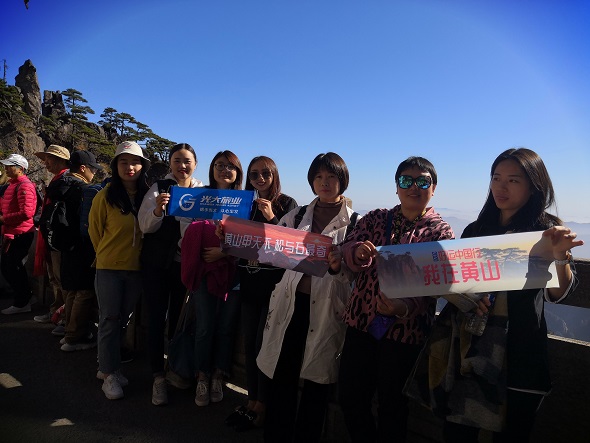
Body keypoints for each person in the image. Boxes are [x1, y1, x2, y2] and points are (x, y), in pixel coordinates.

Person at [419, 148, 582, 442]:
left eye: (513, 180)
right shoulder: (476, 230)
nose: (501, 187)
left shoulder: (545, 231)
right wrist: (468, 299)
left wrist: (560, 256)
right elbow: (458, 284)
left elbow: (557, 294)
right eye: (496, 178)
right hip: (471, 352)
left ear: (534, 187)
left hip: (522, 353)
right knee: (457, 434)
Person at [338, 156, 455, 443]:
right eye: (406, 180)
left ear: (434, 188)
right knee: (351, 396)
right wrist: (357, 253)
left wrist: (405, 307)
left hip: (405, 332)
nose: (414, 187)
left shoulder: (441, 233)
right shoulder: (376, 218)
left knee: (392, 404)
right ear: (397, 187)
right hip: (362, 323)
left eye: (423, 182)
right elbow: (347, 248)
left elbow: (436, 284)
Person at [256, 152, 357, 443]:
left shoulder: (356, 223)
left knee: (316, 384)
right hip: (292, 305)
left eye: (331, 176)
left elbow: (356, 274)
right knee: (282, 376)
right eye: (319, 177)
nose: (325, 182)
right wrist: (230, 235)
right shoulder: (297, 216)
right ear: (312, 181)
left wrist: (338, 266)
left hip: (327, 309)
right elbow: (271, 248)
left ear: (342, 181)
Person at [224, 156, 298, 431]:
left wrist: (271, 218)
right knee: (249, 345)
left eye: (265, 173)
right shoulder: (245, 204)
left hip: (273, 288)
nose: (260, 178)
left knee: (263, 347)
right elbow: (236, 240)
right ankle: (252, 400)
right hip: (248, 283)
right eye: (254, 174)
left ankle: (263, 406)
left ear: (274, 174)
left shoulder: (287, 204)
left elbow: (291, 246)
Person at [138, 143, 204, 406]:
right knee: (156, 318)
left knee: (178, 320)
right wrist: (157, 210)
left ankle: (175, 370)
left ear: (195, 164)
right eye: (177, 160)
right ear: (170, 163)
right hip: (156, 265)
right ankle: (157, 376)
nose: (182, 166)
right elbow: (144, 226)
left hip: (183, 266)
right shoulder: (159, 188)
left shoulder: (201, 192)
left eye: (187, 161)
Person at [89, 141, 150, 400]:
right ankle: (109, 373)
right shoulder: (105, 196)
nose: (130, 167)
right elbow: (94, 231)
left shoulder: (148, 196)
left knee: (122, 320)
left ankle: (108, 366)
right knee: (109, 320)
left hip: (136, 269)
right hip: (109, 268)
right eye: (123, 162)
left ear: (143, 167)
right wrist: (108, 254)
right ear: (116, 166)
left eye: (135, 162)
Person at [183, 150, 243, 408]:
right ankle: (202, 375)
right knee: (205, 326)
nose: (224, 170)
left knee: (226, 327)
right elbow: (187, 229)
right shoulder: (201, 198)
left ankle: (219, 374)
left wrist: (224, 251)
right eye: (220, 165)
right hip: (205, 271)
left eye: (230, 166)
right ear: (212, 168)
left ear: (237, 172)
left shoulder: (245, 201)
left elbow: (250, 239)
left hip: (234, 273)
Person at [59, 150, 103, 352]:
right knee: (84, 291)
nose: (94, 173)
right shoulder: (84, 189)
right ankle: (74, 337)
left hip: (64, 244)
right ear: (83, 168)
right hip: (82, 245)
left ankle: (67, 330)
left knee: (71, 289)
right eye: (93, 169)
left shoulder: (60, 184)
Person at [33, 144, 71, 334]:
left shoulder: (66, 180)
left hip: (58, 237)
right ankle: (55, 312)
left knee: (61, 278)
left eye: (49, 159)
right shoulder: (58, 179)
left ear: (60, 160)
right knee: (54, 277)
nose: (45, 162)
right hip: (50, 235)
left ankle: (64, 317)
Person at [0, 154, 38, 314]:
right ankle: (25, 297)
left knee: (13, 267)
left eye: (10, 166)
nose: (6, 169)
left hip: (20, 233)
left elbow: (27, 212)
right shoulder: (14, 184)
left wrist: (4, 219)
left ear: (21, 169)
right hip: (13, 232)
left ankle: (22, 302)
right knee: (10, 266)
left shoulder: (24, 186)